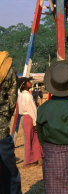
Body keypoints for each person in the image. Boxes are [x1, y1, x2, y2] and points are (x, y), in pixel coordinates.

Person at [36, 60, 68, 193]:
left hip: (50, 152)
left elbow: (40, 133)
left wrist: (47, 148)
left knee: (51, 187)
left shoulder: (43, 108)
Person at [0, 51, 22, 193]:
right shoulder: (7, 65)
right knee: (9, 175)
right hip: (1, 128)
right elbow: (12, 100)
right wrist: (5, 117)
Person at [18, 78, 43, 168]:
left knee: (34, 138)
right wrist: (35, 122)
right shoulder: (28, 96)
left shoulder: (21, 95)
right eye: (28, 82)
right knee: (31, 139)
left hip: (25, 118)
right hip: (30, 117)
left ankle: (38, 158)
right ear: (24, 85)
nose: (30, 83)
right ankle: (28, 162)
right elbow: (31, 110)